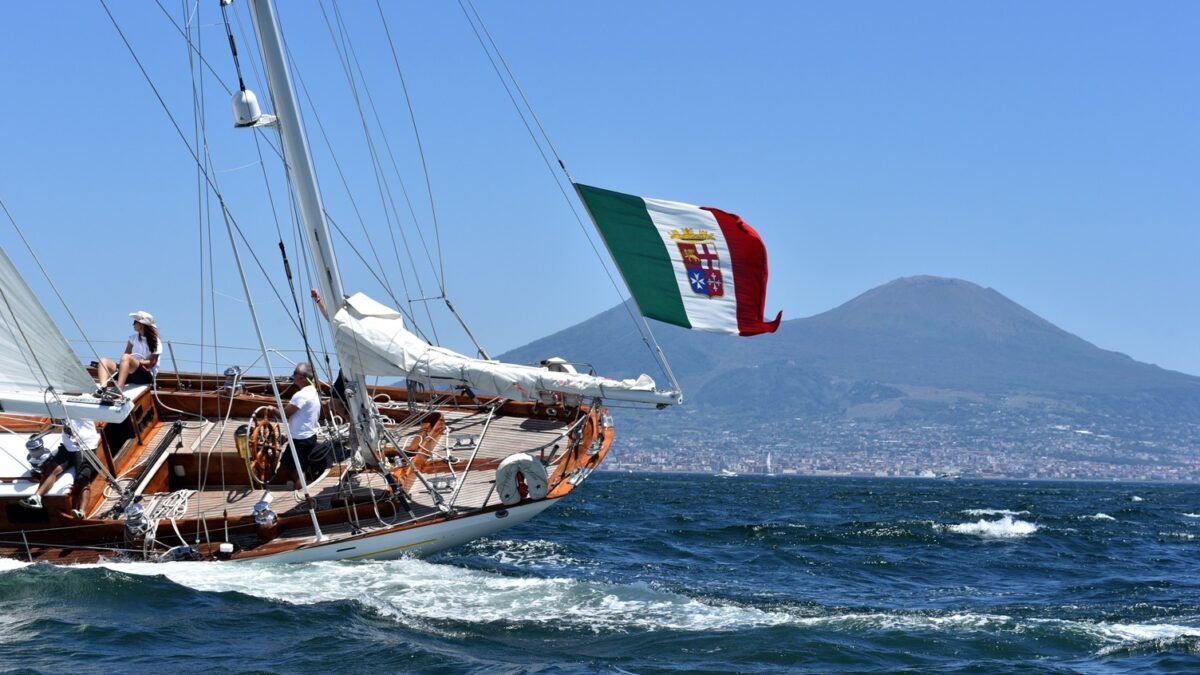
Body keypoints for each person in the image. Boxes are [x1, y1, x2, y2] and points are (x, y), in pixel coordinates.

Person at [20, 417, 99, 516]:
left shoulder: (79, 406)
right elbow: (56, 423)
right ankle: (37, 498)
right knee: (52, 468)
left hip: (85, 446)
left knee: (83, 479)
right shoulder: (60, 405)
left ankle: (82, 512)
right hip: (67, 446)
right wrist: (39, 436)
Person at [279, 361, 324, 481]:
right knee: (287, 463)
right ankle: (298, 489)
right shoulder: (313, 391)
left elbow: (284, 415)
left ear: (301, 377)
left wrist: (271, 409)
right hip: (307, 437)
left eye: (294, 374)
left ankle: (301, 494)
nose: (293, 377)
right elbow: (302, 418)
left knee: (297, 471)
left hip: (300, 441)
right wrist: (287, 434)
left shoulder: (301, 395)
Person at [99, 310, 162, 393]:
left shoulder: (156, 341)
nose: (133, 324)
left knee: (126, 358)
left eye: (135, 322)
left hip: (145, 376)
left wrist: (136, 362)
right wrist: (127, 363)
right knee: (103, 361)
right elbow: (126, 356)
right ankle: (103, 388)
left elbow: (151, 363)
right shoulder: (132, 338)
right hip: (130, 373)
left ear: (141, 325)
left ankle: (119, 388)